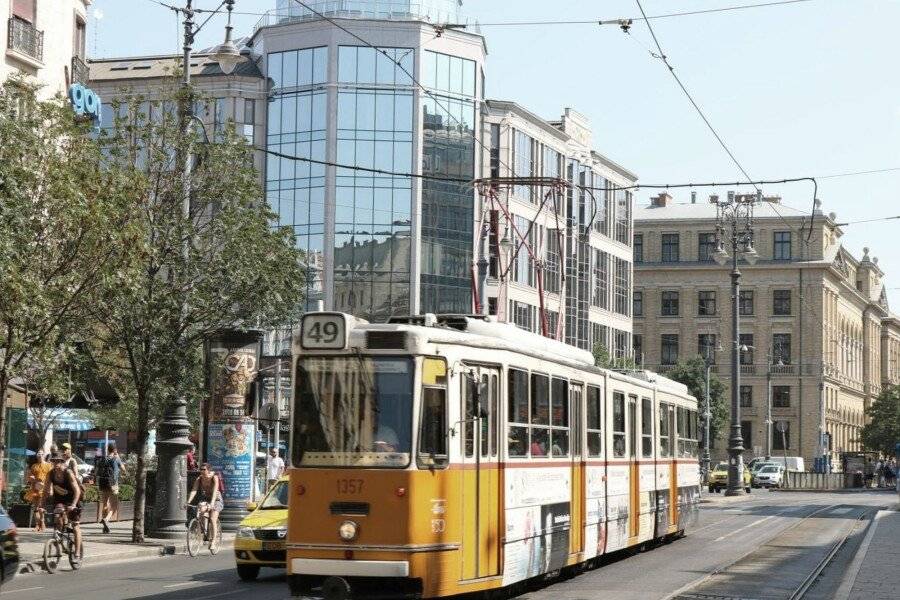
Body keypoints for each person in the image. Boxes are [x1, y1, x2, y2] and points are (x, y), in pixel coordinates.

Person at [45, 453, 83, 559]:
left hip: (73, 499)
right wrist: (41, 506)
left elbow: (77, 491)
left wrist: (74, 505)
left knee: (75, 526)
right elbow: (45, 491)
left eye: (58, 461)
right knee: (57, 518)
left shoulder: (68, 473)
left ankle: (77, 552)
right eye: (54, 461)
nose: (56, 463)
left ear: (62, 462)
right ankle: (59, 544)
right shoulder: (51, 474)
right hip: (60, 500)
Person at [186, 463, 222, 545]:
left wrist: (212, 504)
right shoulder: (199, 479)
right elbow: (194, 490)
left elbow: (215, 492)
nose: (202, 471)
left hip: (216, 499)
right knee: (201, 510)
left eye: (204, 469)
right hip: (206, 498)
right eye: (201, 469)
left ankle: (213, 541)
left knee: (213, 518)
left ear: (208, 470)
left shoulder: (214, 478)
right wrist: (188, 502)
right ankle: (204, 530)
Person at [95, 443, 126, 534]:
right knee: (114, 505)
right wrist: (119, 459)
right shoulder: (116, 459)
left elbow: (97, 471)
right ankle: (106, 519)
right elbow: (124, 469)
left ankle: (105, 528)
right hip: (113, 484)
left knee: (105, 504)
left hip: (103, 483)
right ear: (115, 450)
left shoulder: (103, 459)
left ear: (108, 449)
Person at [25, 450, 52, 531]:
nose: (39, 455)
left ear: (44, 455)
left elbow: (51, 478)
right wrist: (31, 478)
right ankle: (37, 525)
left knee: (40, 507)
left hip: (43, 488)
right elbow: (29, 477)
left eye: (41, 454)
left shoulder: (48, 465)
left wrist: (50, 489)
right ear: (37, 456)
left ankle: (42, 523)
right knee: (36, 507)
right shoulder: (34, 466)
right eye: (38, 454)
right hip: (35, 488)